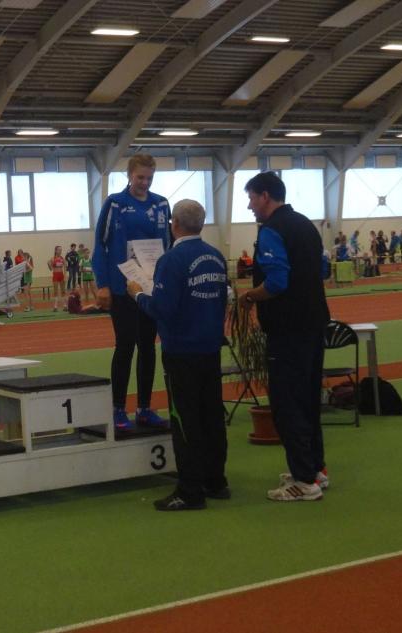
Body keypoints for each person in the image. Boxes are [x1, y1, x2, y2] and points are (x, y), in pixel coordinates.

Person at [127, 199, 229, 511]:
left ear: (174, 224)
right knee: (212, 415)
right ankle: (215, 481)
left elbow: (162, 308)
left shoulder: (171, 260)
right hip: (210, 348)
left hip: (182, 350)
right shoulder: (217, 257)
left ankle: (189, 490)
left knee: (185, 420)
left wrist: (138, 294)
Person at [238, 171, 330, 502]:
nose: (249, 206)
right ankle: (315, 469)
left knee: (287, 403)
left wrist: (250, 296)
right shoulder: (306, 224)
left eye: (251, 198)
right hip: (314, 323)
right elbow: (323, 270)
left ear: (265, 196)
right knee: (308, 399)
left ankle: (304, 482)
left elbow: (277, 282)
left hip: (288, 329)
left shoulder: (271, 231)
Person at [92, 153, 171, 430]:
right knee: (125, 345)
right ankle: (117, 408)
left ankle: (144, 408)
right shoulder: (115, 203)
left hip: (150, 288)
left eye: (149, 178)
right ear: (129, 175)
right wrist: (102, 284)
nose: (145, 183)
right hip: (121, 287)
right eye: (140, 177)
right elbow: (100, 245)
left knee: (148, 347)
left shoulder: (161, 204)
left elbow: (167, 246)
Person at [47, 245, 67, 312]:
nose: (60, 251)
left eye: (61, 250)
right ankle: (55, 306)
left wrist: (65, 276)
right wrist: (48, 264)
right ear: (56, 251)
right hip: (55, 275)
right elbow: (50, 269)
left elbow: (65, 268)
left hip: (61, 275)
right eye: (59, 250)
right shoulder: (52, 259)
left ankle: (65, 306)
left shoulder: (62, 258)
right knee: (55, 291)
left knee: (63, 291)